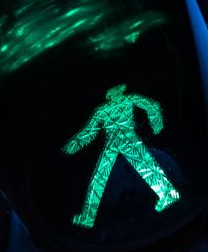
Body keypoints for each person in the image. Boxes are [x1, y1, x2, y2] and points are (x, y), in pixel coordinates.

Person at [62, 84, 180, 229]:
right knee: (99, 177)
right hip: (113, 143)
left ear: (120, 90)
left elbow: (151, 106)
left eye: (114, 91)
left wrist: (157, 125)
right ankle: (88, 217)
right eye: (110, 93)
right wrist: (69, 148)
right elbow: (89, 132)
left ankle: (169, 194)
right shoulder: (102, 110)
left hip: (128, 139)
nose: (111, 94)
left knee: (147, 167)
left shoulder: (128, 100)